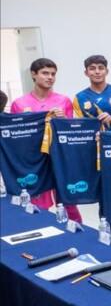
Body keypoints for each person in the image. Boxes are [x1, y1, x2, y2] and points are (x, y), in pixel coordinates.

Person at [10, 58, 81, 221]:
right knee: (38, 202)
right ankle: (42, 230)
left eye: (53, 74)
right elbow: (15, 136)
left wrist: (63, 120)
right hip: (34, 159)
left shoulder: (63, 100)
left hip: (59, 157)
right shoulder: (19, 104)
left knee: (68, 201)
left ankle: (77, 231)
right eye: (45, 73)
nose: (50, 77)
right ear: (33, 74)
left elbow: (71, 132)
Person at [73, 54, 111, 131]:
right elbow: (78, 128)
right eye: (92, 68)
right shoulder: (79, 98)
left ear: (107, 71)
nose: (97, 72)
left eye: (101, 68)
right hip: (92, 139)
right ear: (86, 73)